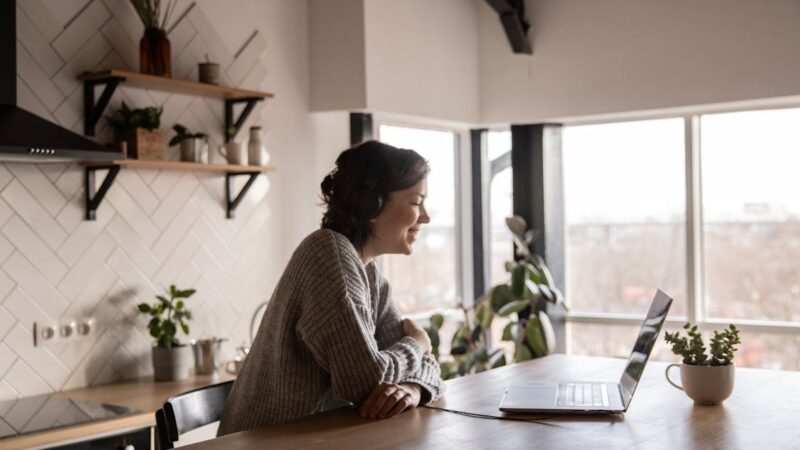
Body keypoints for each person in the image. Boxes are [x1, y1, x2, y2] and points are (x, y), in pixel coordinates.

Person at [218, 140, 445, 435]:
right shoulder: (328, 255)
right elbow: (366, 382)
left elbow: (428, 369)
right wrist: (418, 343)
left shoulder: (371, 275)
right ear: (371, 205)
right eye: (416, 202)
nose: (425, 216)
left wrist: (413, 389)